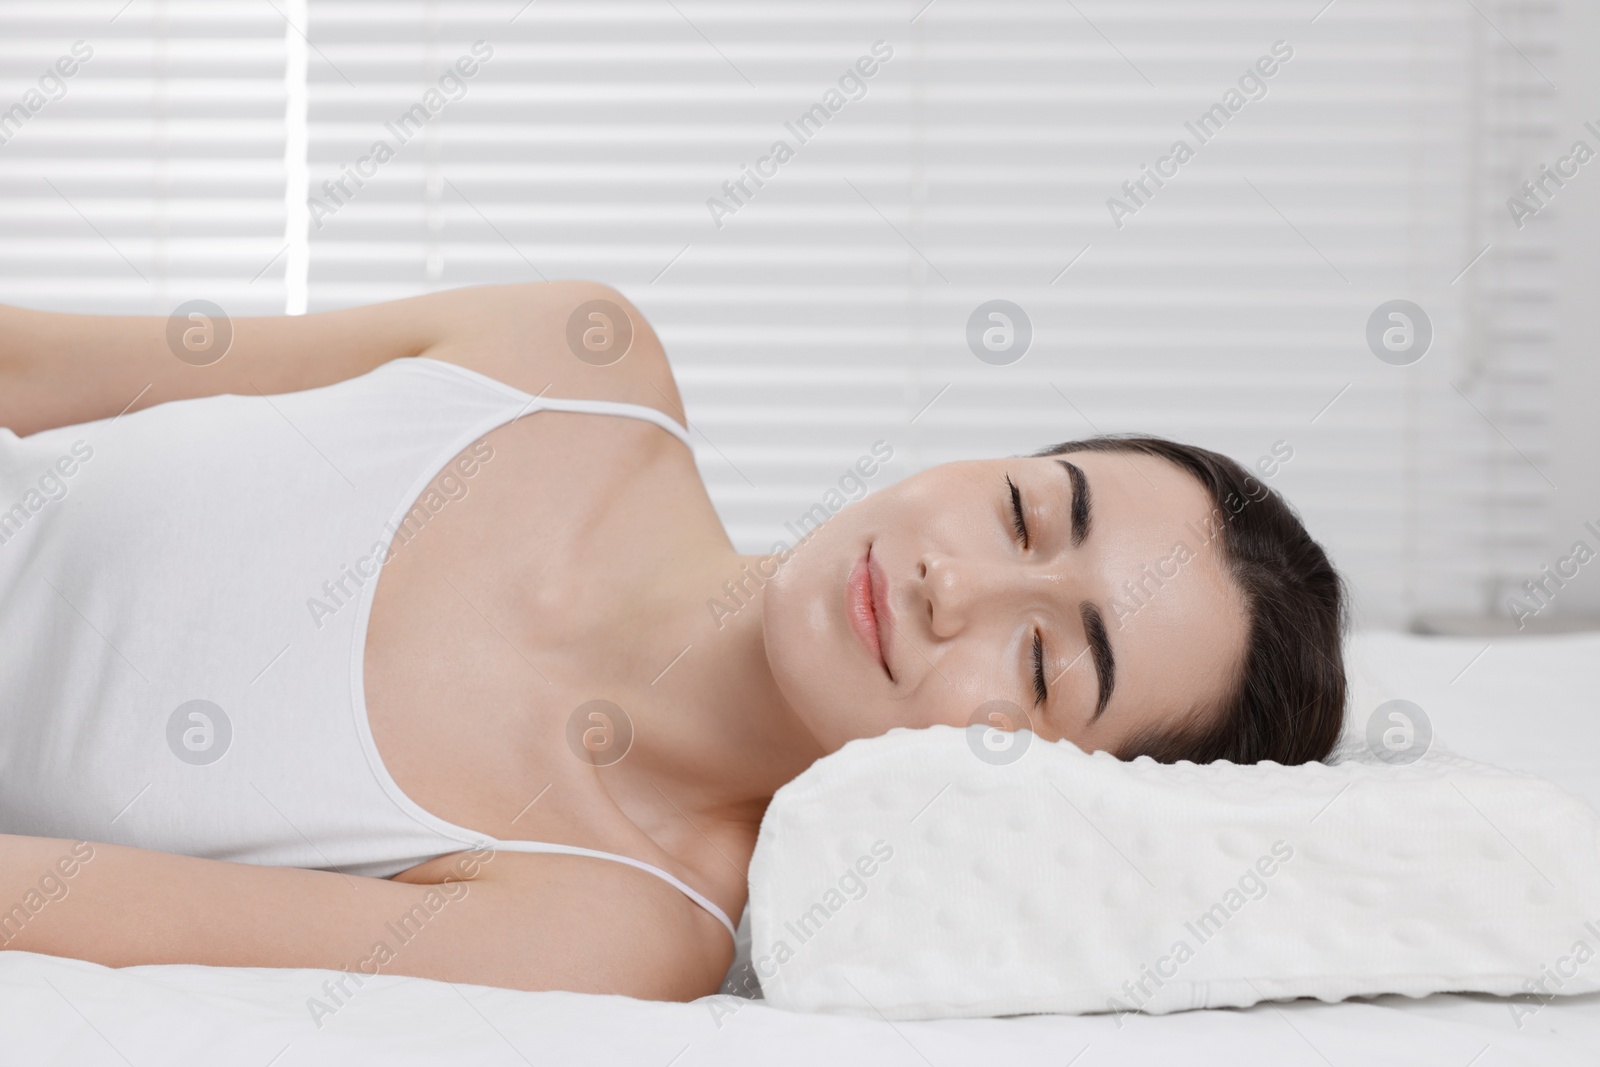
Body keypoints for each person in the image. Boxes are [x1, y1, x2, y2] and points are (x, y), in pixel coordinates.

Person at [0, 280, 1346, 1000]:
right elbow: (35, 366)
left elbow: (59, 906)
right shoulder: (572, 358)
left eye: (1048, 663)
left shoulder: (622, 925)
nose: (957, 585)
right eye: (1021, 510)